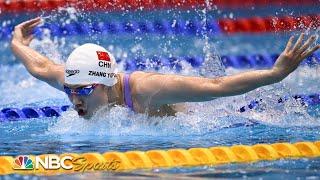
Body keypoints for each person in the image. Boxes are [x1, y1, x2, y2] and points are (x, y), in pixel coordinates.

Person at [11, 17, 320, 119]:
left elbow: (216, 88)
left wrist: (275, 74)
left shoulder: (144, 88)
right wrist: (17, 43)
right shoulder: (76, 83)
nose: (75, 100)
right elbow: (40, 67)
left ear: (104, 84)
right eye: (70, 91)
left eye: (84, 92)